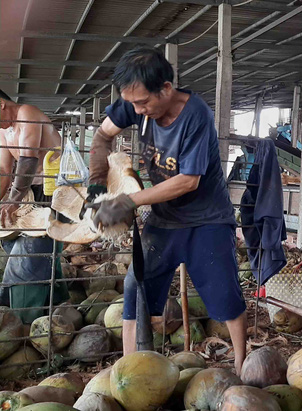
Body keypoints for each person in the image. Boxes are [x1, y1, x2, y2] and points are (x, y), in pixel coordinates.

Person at [86, 47, 247, 374]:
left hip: (207, 220)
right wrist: (96, 184)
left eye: (143, 102)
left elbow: (188, 181)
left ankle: (243, 362)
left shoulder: (196, 116)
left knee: (225, 291)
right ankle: (129, 368)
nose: (137, 110)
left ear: (167, 89)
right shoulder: (135, 102)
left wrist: (129, 201)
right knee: (136, 287)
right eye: (132, 103)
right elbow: (102, 137)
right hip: (164, 218)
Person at [0, 89, 68, 323]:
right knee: (8, 239)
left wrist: (13, 200)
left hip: (55, 193)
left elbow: (28, 160)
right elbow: (4, 171)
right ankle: (56, 302)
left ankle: (24, 319)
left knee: (31, 251)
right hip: (29, 192)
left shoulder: (26, 113)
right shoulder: (4, 130)